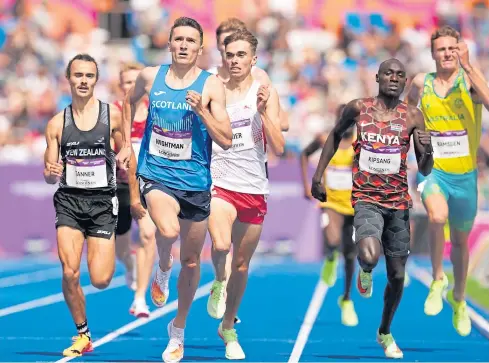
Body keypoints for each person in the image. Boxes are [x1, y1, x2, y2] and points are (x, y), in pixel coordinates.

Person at [116, 17, 232, 363]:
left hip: (195, 183)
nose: (183, 45)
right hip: (156, 174)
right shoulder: (150, 77)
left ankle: (177, 330)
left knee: (193, 259)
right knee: (166, 230)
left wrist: (202, 112)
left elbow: (225, 139)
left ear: (199, 48)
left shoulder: (211, 86)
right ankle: (162, 267)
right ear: (169, 44)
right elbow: (126, 102)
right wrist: (126, 145)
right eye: (177, 39)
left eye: (190, 41)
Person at [311, 59, 433, 358]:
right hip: (366, 198)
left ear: (405, 82)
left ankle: (385, 331)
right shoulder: (358, 108)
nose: (394, 78)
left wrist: (428, 149)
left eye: (400, 74)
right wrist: (317, 175)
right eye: (388, 73)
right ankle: (365, 268)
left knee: (397, 277)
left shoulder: (413, 116)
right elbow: (335, 135)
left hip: (398, 204)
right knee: (368, 254)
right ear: (377, 77)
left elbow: (426, 169)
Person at [405, 25, 489, 336]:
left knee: (462, 244)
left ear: (460, 49)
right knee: (437, 215)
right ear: (432, 54)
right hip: (433, 171)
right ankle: (438, 278)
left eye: (452, 48)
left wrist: (470, 66)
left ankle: (460, 298)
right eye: (441, 49)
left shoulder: (469, 83)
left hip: (465, 176)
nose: (447, 53)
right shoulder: (420, 83)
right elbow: (406, 115)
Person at [208, 29, 285, 359]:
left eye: (241, 55)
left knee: (241, 265)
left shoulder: (265, 90)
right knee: (222, 246)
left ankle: (228, 326)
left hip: (253, 187)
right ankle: (217, 281)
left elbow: (279, 146)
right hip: (219, 183)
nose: (235, 60)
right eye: (230, 54)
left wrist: (265, 111)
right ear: (222, 56)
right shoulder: (213, 89)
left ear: (253, 59)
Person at [43, 53, 123, 357]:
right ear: (69, 78)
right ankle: (82, 334)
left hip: (102, 203)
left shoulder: (111, 116)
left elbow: (124, 145)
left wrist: (125, 154)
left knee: (101, 279)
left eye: (89, 75)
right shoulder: (56, 124)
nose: (84, 81)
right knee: (70, 272)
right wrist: (51, 172)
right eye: (78, 75)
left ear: (96, 79)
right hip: (69, 203)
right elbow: (49, 173)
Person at [300, 103, 359, 327]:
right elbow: (304, 155)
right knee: (333, 241)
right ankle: (331, 257)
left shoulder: (360, 142)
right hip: (331, 203)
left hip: (354, 205)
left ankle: (346, 299)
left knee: (352, 254)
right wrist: (307, 185)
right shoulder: (326, 138)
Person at [113, 62, 156, 318]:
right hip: (120, 185)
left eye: (134, 82)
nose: (131, 87)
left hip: (149, 183)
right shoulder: (116, 113)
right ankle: (130, 266)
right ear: (121, 86)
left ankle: (140, 298)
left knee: (148, 235)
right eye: (126, 82)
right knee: (120, 246)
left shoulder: (155, 110)